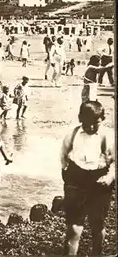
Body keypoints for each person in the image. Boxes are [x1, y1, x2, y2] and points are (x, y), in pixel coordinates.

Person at [60, 101, 115, 256]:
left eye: (95, 124)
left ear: (102, 120)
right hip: (76, 180)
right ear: (80, 118)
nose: (91, 128)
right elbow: (63, 155)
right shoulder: (72, 134)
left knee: (97, 224)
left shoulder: (108, 136)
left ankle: (97, 252)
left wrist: (110, 177)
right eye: (87, 124)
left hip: (100, 182)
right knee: (73, 227)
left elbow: (115, 162)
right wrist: (67, 174)